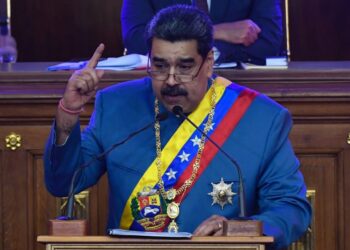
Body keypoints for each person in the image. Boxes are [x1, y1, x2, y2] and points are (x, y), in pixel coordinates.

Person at [44, 5, 311, 249]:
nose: (171, 80)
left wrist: (244, 230)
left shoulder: (260, 118)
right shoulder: (116, 106)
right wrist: (68, 112)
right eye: (160, 66)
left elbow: (291, 208)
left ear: (208, 63)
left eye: (185, 67)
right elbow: (64, 182)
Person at [121, 0, 283, 65]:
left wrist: (217, 52)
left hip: (239, 89)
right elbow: (136, 39)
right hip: (166, 88)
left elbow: (270, 42)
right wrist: (215, 31)